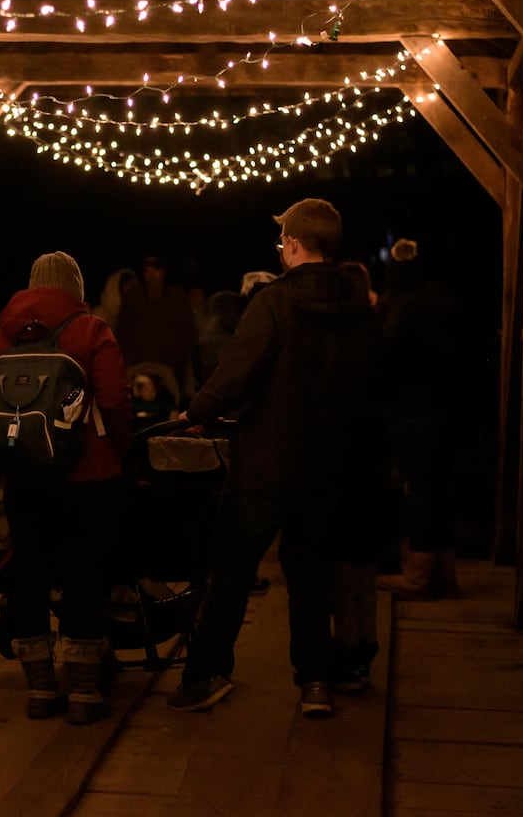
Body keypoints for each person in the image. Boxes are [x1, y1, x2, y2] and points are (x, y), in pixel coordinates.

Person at [166, 200, 380, 718]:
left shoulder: (273, 302)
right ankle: (315, 682)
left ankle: (206, 675)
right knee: (308, 573)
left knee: (232, 570)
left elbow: (236, 373)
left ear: (291, 244)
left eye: (281, 240)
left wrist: (193, 412)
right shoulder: (358, 306)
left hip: (266, 462)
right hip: (328, 466)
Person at [0, 252, 133, 723]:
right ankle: (83, 691)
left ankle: (41, 688)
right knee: (85, 574)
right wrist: (117, 451)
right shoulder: (92, 330)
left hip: (24, 474)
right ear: (76, 288)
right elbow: (114, 400)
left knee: (31, 574)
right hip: (88, 475)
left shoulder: (4, 335)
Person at [374, 239, 462, 600]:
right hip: (447, 408)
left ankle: (420, 577)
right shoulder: (443, 299)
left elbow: (384, 352)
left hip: (411, 410)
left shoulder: (397, 304)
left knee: (419, 491)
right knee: (439, 489)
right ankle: (445, 573)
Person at [327, 261, 389, 690]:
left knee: (341, 569)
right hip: (373, 459)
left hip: (340, 460)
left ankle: (346, 653)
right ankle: (365, 652)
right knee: (366, 570)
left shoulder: (334, 338)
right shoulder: (380, 333)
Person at [116, 255, 197, 397]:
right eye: (148, 270)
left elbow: (186, 334)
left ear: (163, 273)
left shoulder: (177, 298)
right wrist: (130, 364)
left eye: (156, 270)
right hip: (137, 368)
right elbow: (123, 332)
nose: (152, 275)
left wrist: (173, 365)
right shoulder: (133, 297)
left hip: (170, 371)